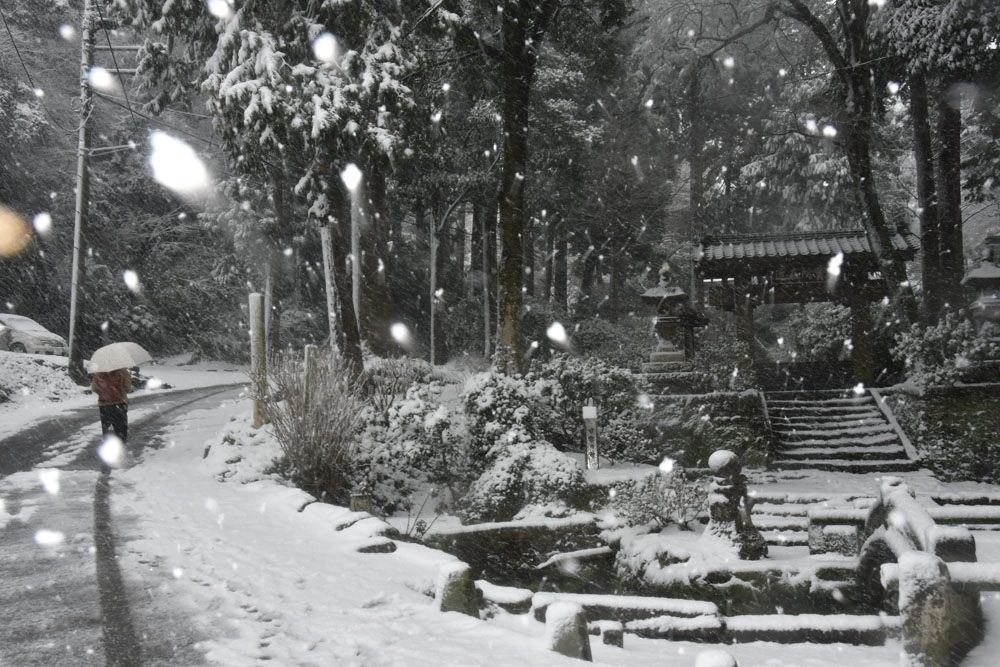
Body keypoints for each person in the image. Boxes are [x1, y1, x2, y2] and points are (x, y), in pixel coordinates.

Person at [91, 367, 132, 446]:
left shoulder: (98, 372)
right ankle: (121, 442)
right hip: (120, 403)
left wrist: (105, 393)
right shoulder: (122, 371)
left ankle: (107, 441)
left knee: (106, 425)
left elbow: (94, 388)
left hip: (104, 404)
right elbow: (128, 388)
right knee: (121, 425)